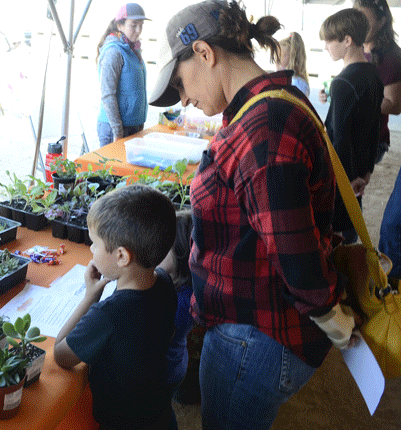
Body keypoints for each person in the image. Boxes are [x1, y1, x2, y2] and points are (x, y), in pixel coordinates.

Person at [149, 1, 357, 429]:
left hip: (257, 334)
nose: (184, 98)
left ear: (205, 54)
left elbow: (294, 252)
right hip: (256, 326)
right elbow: (259, 212)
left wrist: (330, 314)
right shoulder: (269, 104)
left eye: (180, 82)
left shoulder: (263, 125)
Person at [54, 184, 178, 430]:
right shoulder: (164, 283)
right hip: (161, 416)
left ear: (122, 256)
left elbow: (61, 354)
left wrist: (90, 295)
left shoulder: (109, 315)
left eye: (95, 244)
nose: (91, 250)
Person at [320, 8, 383, 245]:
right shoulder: (372, 74)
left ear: (347, 40)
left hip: (341, 176)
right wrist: (366, 170)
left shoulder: (343, 82)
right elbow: (375, 127)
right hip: (359, 170)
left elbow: (339, 139)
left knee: (337, 236)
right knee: (353, 222)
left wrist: (342, 180)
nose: (326, 46)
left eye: (329, 40)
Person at [95, 3, 149, 147]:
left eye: (141, 25)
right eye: (133, 25)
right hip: (115, 129)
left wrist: (140, 122)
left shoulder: (133, 50)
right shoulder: (114, 52)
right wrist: (118, 132)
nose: (138, 30)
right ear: (120, 25)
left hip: (133, 126)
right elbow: (107, 94)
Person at [354, 0, 401, 164]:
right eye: (357, 19)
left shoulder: (390, 57)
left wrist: (357, 100)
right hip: (353, 133)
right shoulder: (357, 48)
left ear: (382, 22)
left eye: (365, 20)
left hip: (371, 140)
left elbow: (394, 105)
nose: (360, 25)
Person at [158, 210, 195, 397]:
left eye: (161, 248)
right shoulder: (177, 284)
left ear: (181, 253)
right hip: (174, 361)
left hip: (164, 371)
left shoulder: (183, 301)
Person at [276, 32, 310, 96]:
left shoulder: (295, 83)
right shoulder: (298, 82)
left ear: (291, 59)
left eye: (279, 57)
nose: (275, 62)